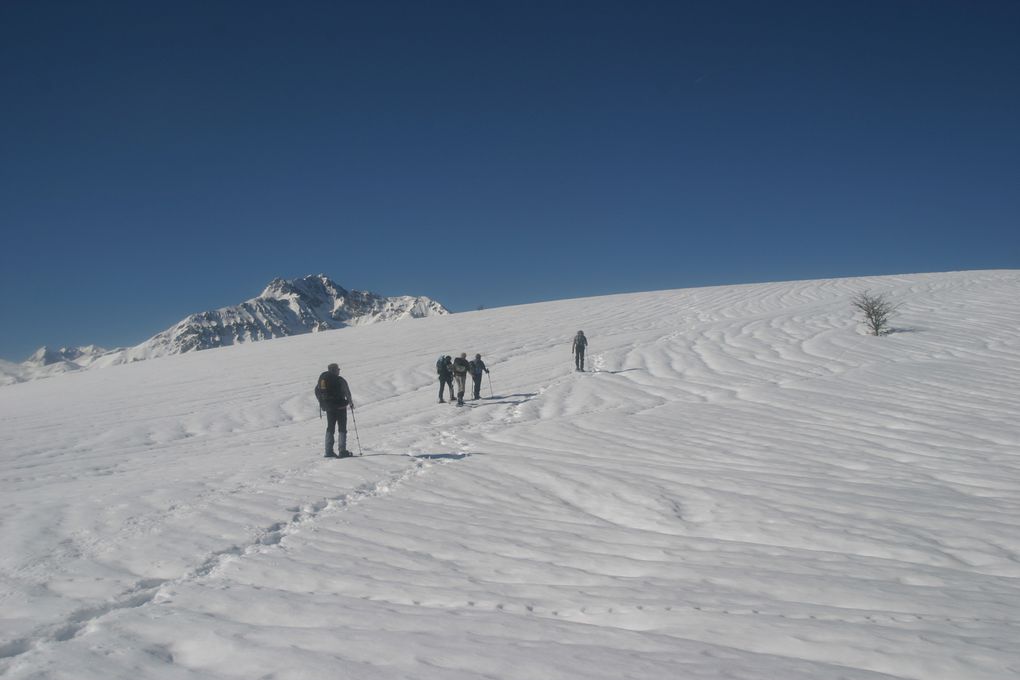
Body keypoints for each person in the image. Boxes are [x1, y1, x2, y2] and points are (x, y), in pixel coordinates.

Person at [316, 363, 354, 457]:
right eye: (338, 369)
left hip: (329, 408)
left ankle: (328, 451)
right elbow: (346, 392)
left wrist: (323, 404)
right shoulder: (340, 380)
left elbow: (317, 391)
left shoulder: (323, 380)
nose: (339, 371)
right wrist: (350, 402)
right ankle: (342, 450)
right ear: (335, 370)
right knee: (342, 428)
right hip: (340, 407)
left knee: (330, 428)